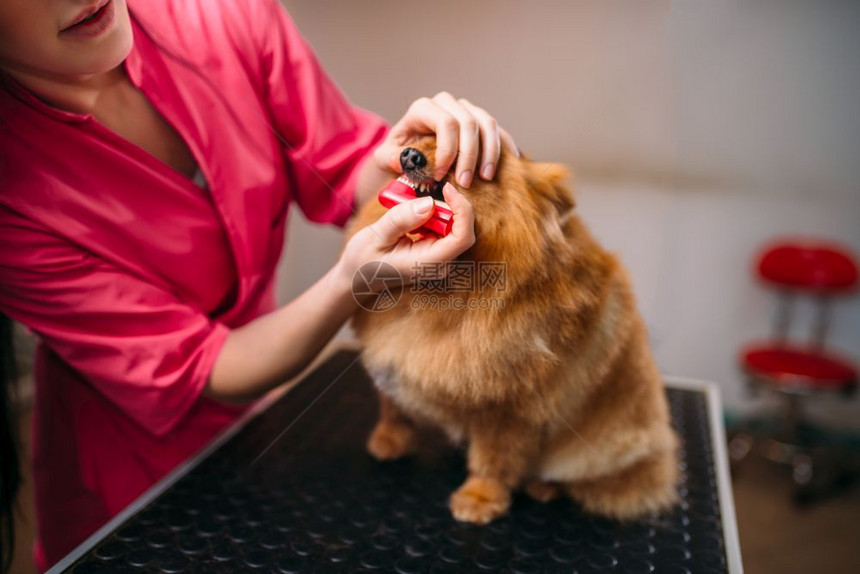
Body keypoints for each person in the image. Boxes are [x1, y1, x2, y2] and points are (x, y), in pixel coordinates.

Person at [0, 0, 517, 570]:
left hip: (268, 423)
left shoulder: (222, 13)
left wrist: (413, 160)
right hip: (128, 478)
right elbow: (205, 367)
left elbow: (343, 168)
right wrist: (352, 283)